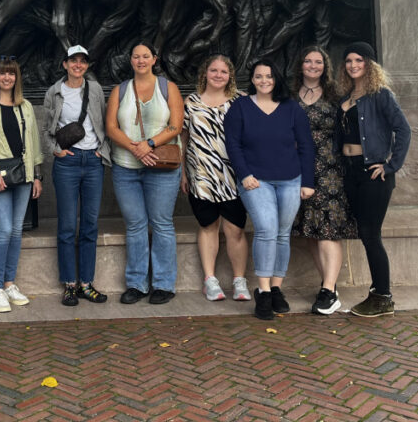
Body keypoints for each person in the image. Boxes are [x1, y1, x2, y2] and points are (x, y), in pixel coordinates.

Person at [225, 59, 314, 320]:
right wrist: (245, 174)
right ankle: (262, 293)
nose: (264, 81)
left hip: (290, 180)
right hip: (256, 181)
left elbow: (306, 146)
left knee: (282, 234)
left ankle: (276, 288)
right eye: (258, 77)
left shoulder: (292, 109)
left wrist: (307, 181)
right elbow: (233, 144)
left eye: (269, 76)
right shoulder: (240, 107)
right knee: (266, 229)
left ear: (277, 78)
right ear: (251, 80)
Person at [336, 42, 411, 318]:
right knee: (365, 234)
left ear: (369, 64)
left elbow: (403, 130)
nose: (353, 65)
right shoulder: (347, 94)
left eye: (359, 60)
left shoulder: (380, 95)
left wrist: (391, 165)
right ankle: (378, 292)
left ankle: (383, 296)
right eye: (348, 61)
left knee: (371, 235)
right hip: (350, 170)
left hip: (372, 173)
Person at [106, 42, 184, 305]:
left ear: (154, 59)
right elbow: (111, 126)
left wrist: (149, 144)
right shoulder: (120, 90)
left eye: (145, 56)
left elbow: (176, 125)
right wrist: (135, 149)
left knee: (161, 223)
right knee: (136, 225)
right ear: (131, 61)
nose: (140, 60)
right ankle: (137, 283)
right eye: (136, 56)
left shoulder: (168, 88)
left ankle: (163, 284)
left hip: (162, 167)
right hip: (126, 168)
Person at [0, 57, 44, 313]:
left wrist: (37, 175)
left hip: (22, 177)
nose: (7, 78)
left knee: (15, 231)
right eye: (3, 73)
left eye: (11, 74)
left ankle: (10, 283)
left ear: (16, 78)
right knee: (3, 230)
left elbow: (33, 142)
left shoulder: (25, 106)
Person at [42, 45, 111, 306]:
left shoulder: (94, 90)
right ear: (65, 64)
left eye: (82, 61)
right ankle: (70, 284)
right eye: (73, 61)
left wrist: (101, 151)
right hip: (67, 163)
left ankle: (87, 283)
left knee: (90, 225)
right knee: (68, 226)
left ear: (87, 66)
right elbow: (46, 128)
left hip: (93, 162)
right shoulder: (54, 92)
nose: (78, 65)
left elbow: (103, 122)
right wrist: (56, 152)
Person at [292, 46, 357, 316]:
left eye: (318, 61)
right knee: (310, 231)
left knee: (329, 229)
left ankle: (329, 290)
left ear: (325, 66)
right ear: (301, 65)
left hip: (330, 170)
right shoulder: (288, 96)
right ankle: (327, 285)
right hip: (297, 168)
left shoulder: (336, 95)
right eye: (308, 61)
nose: (313, 65)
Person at [181, 55, 250, 303]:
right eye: (213, 70)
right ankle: (210, 280)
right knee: (208, 226)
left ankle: (239, 280)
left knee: (235, 229)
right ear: (205, 73)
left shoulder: (240, 101)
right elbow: (184, 138)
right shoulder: (191, 102)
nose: (218, 75)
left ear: (230, 75)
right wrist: (183, 172)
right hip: (202, 175)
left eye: (223, 71)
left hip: (234, 176)